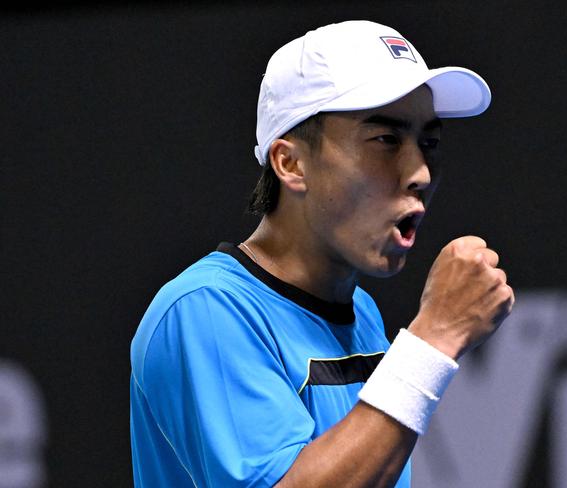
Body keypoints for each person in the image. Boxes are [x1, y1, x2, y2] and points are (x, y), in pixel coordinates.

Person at [130, 20, 514, 487]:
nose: (421, 173)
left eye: (428, 143)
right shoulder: (202, 312)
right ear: (290, 163)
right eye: (386, 140)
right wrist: (435, 336)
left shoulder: (361, 313)